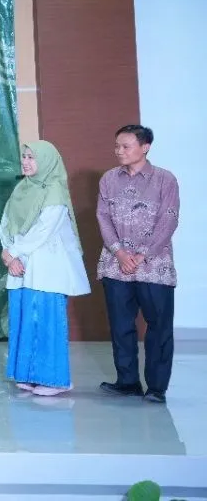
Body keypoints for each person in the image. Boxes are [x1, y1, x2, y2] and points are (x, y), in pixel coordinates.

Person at [95, 125, 180, 404]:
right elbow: (103, 217)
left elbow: (169, 219)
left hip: (154, 267)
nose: (119, 151)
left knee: (159, 328)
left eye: (126, 146)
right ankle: (127, 382)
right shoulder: (109, 179)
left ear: (145, 147)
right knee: (121, 327)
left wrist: (142, 255)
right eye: (117, 146)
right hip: (116, 266)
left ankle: (156, 388)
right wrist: (120, 253)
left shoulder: (165, 179)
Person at [0, 141, 91, 396]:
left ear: (47, 161)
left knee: (46, 321)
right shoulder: (22, 188)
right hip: (20, 266)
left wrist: (13, 252)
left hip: (47, 268)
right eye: (24, 156)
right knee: (24, 319)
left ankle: (54, 380)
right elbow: (5, 223)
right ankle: (27, 375)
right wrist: (9, 255)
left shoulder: (55, 191)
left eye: (32, 157)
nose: (26, 162)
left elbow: (44, 229)